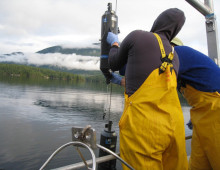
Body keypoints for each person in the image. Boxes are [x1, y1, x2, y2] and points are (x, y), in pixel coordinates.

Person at [106, 8, 188, 169]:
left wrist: (114, 44)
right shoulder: (175, 55)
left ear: (158, 21)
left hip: (145, 130)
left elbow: (113, 63)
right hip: (175, 128)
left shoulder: (138, 36)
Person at [171, 38, 220, 170]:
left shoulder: (179, 52)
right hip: (202, 117)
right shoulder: (180, 74)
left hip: (216, 113)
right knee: (198, 164)